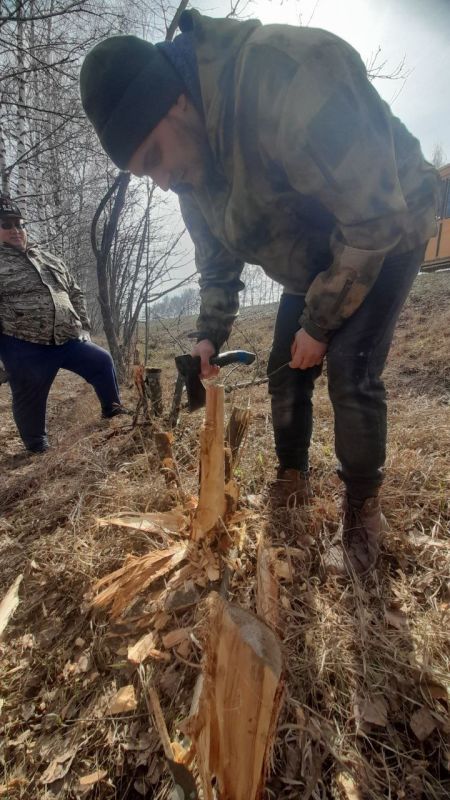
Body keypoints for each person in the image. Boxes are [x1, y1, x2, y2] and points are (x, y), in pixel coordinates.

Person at [80, 10, 438, 575]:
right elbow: (217, 263)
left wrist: (320, 327)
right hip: (317, 256)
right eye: (146, 174)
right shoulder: (190, 162)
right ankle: (291, 478)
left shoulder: (286, 76)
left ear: (174, 101)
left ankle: (362, 513)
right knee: (283, 368)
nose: (164, 180)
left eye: (154, 159)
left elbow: (372, 217)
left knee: (349, 366)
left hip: (389, 223)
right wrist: (206, 336)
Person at [0, 195, 128, 454]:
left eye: (20, 224)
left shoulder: (48, 259)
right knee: (30, 400)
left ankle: (114, 416)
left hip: (68, 339)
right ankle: (37, 451)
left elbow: (75, 291)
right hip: (23, 345)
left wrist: (83, 326)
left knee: (102, 362)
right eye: (7, 224)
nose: (16, 230)